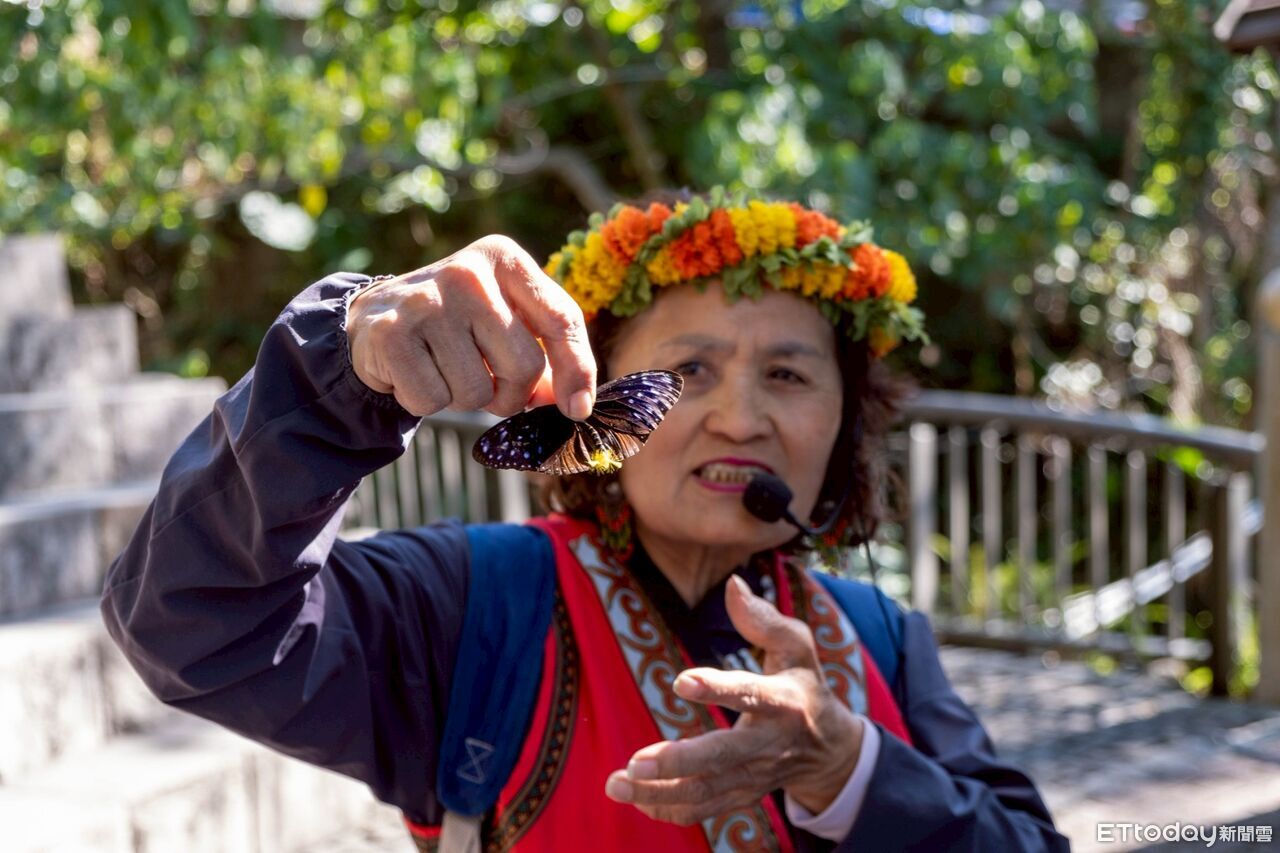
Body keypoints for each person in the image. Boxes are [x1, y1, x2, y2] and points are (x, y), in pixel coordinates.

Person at [101, 188, 1069, 852]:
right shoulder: (473, 606)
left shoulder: (881, 640)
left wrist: (851, 768)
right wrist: (340, 370)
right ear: (593, 404)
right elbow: (192, 622)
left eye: (786, 373)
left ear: (844, 424)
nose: (738, 415)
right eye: (687, 371)